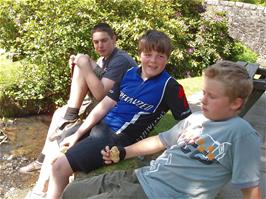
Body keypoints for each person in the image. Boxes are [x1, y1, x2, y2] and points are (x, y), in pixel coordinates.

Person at [61, 60, 262, 199]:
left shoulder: (241, 134)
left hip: (161, 194)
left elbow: (250, 187)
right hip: (144, 176)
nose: (203, 99)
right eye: (203, 92)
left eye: (212, 96)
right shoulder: (197, 119)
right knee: (72, 191)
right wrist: (124, 153)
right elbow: (160, 141)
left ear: (236, 103)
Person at [38, 29, 192, 199]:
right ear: (140, 54)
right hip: (101, 129)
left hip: (118, 139)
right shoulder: (129, 74)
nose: (153, 61)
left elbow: (187, 123)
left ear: (167, 58)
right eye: (148, 54)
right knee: (61, 141)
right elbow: (105, 105)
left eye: (160, 56)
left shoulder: (170, 87)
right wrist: (79, 133)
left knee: (59, 167)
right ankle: (45, 191)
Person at [19, 22, 137, 173]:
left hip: (115, 110)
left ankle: (46, 167)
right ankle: (42, 159)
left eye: (104, 40)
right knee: (58, 114)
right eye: (96, 42)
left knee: (63, 133)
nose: (100, 45)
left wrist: (85, 65)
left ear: (114, 39)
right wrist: (81, 63)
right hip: (103, 103)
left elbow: (100, 94)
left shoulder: (120, 60)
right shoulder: (104, 59)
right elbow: (93, 81)